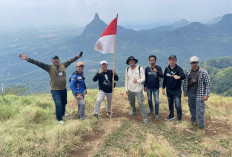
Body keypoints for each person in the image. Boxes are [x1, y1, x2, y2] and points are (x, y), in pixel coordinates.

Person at [19, 52, 83, 123]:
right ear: (52, 61)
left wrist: (77, 56)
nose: (56, 61)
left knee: (64, 103)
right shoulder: (49, 68)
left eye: (57, 59)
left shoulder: (63, 65)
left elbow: (70, 61)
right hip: (55, 90)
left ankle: (62, 114)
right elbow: (38, 63)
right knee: (58, 104)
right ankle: (59, 119)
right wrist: (27, 59)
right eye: (54, 60)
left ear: (59, 60)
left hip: (63, 89)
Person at [183, 56, 211, 129]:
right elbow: (185, 82)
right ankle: (193, 122)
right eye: (192, 63)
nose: (194, 64)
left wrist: (206, 95)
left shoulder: (203, 72)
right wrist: (185, 92)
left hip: (200, 94)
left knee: (200, 111)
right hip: (190, 94)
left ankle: (201, 127)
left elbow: (208, 84)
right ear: (190, 63)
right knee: (192, 108)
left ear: (198, 63)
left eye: (195, 62)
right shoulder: (188, 72)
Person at [125, 56, 148, 123]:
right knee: (131, 102)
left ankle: (145, 118)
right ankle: (134, 110)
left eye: (132, 60)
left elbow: (144, 78)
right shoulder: (127, 69)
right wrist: (126, 89)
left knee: (141, 103)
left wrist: (137, 81)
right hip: (130, 89)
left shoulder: (140, 68)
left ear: (135, 61)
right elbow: (126, 80)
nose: (131, 62)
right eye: (130, 61)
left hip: (138, 89)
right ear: (128, 62)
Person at [162, 55, 185, 121]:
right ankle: (171, 115)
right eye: (170, 60)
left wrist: (179, 77)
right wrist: (163, 88)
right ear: (168, 61)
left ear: (176, 61)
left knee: (177, 105)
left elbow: (183, 75)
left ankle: (179, 118)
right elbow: (165, 79)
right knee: (170, 104)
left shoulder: (179, 69)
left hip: (177, 90)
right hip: (168, 90)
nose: (171, 61)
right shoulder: (167, 69)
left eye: (173, 60)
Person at [144, 55, 163, 120]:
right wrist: (145, 86)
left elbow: (162, 76)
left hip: (156, 88)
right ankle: (151, 110)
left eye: (153, 60)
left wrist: (157, 72)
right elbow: (145, 78)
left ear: (155, 60)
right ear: (149, 61)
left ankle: (157, 114)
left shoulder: (158, 68)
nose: (152, 61)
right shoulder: (147, 68)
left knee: (157, 101)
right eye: (151, 60)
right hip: (148, 87)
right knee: (149, 100)